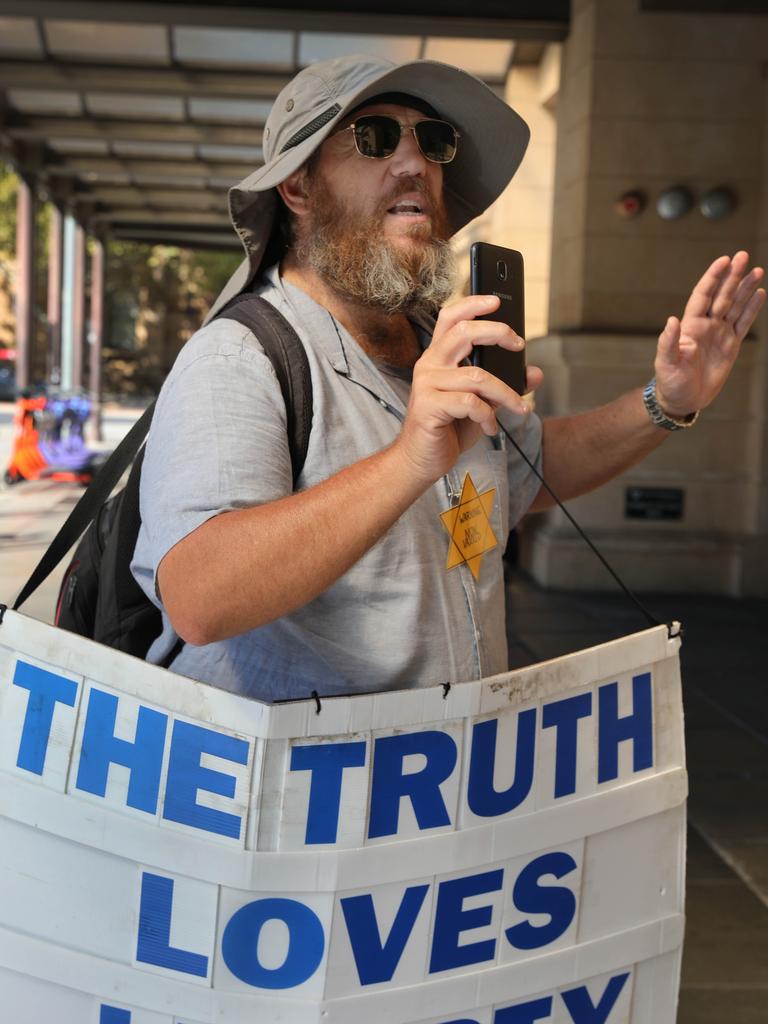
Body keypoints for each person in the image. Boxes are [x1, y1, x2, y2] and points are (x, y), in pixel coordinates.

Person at [131, 54, 765, 703]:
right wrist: (411, 458)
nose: (416, 165)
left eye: (433, 143)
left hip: (446, 784)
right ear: (297, 188)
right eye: (374, 138)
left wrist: (667, 400)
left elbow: (530, 466)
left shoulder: (443, 344)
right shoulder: (241, 358)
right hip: (302, 795)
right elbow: (200, 598)